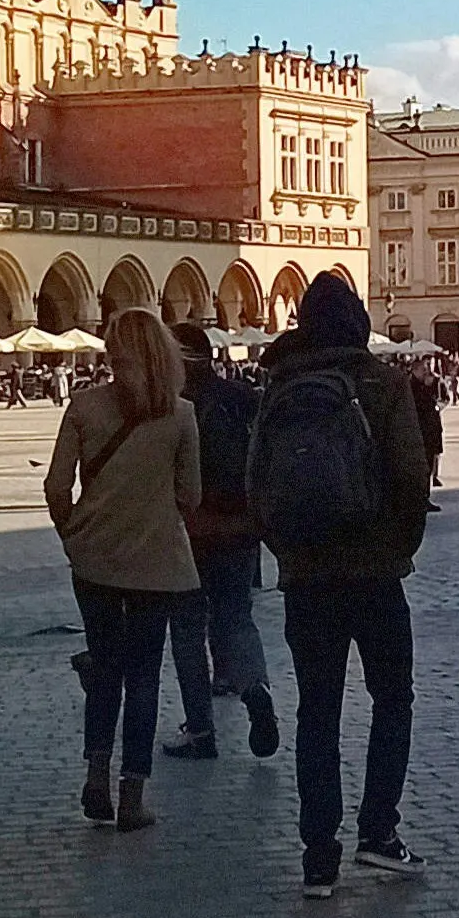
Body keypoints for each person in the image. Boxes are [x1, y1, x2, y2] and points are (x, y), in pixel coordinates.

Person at [250, 271, 430, 897]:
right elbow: (411, 479)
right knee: (393, 699)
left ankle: (317, 856)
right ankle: (378, 833)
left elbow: (257, 486)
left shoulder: (279, 387)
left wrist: (290, 551)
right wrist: (396, 549)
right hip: (376, 576)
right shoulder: (382, 384)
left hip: (306, 580)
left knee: (317, 712)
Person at [46, 308, 199, 831]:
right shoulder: (179, 415)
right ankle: (132, 796)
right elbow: (191, 496)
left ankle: (95, 773)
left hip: (95, 559)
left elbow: (55, 486)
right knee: (145, 677)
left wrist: (73, 534)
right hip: (156, 562)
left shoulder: (84, 407)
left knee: (106, 667)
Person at [163, 322, 280, 762]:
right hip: (240, 529)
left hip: (190, 533)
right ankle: (255, 688)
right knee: (236, 620)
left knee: (188, 631)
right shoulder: (245, 399)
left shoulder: (173, 407)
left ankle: (200, 730)